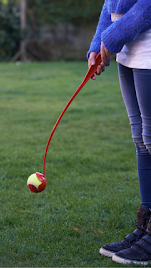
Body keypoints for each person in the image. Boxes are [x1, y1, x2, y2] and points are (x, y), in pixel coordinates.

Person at [87, 0, 151, 265]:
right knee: (141, 140)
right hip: (128, 52)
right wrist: (97, 45)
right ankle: (146, 225)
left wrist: (112, 37)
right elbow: (110, 4)